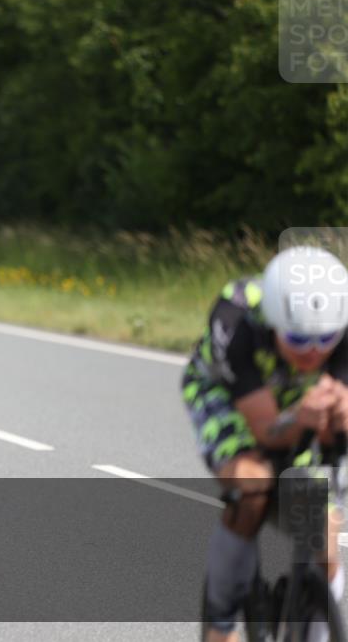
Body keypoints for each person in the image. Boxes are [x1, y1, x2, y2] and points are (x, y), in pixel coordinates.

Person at [182, 245, 348, 642]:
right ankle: (220, 620)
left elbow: (333, 440)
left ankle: (320, 622)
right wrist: (298, 420)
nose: (312, 352)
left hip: (297, 398)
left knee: (322, 530)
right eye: (298, 339)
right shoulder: (235, 320)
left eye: (325, 339)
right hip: (228, 397)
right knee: (253, 486)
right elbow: (266, 431)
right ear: (274, 322)